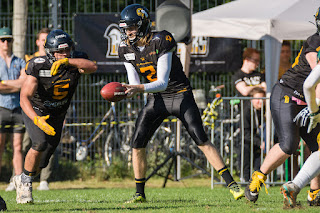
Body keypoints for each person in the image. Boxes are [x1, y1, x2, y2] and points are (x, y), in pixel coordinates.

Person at [118, 4, 244, 203]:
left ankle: (232, 185)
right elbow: (134, 83)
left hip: (179, 95)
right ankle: (139, 193)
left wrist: (139, 89)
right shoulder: (125, 48)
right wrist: (125, 92)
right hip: (156, 99)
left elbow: (162, 82)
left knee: (200, 138)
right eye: (126, 28)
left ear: (142, 25)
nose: (128, 32)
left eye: (132, 27)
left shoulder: (161, 39)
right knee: (137, 142)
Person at [245, 7, 320, 204]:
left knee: (318, 146)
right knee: (289, 144)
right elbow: (316, 76)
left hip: (308, 100)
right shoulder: (316, 41)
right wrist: (317, 107)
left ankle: (314, 193)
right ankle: (257, 178)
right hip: (289, 94)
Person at [13, 29, 97, 204]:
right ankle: (25, 185)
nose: (64, 54)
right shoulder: (38, 64)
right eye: (60, 51)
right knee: (39, 143)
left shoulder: (74, 61)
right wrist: (36, 119)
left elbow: (93, 66)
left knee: (43, 161)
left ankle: (23, 177)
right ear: (50, 52)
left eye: (67, 50)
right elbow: (24, 98)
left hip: (58, 114)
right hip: (36, 110)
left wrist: (69, 61)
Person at [6, 28, 52, 192]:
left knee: (46, 144)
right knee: (24, 145)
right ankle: (17, 177)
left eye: (48, 39)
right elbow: (22, 84)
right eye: (42, 39)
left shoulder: (56, 59)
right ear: (37, 42)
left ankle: (43, 180)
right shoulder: (29, 60)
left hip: (49, 109)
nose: (45, 43)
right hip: (29, 110)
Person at [0, 27, 26, 181]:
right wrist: (17, 84)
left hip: (17, 109)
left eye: (8, 40)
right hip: (1, 108)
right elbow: (20, 83)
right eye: (2, 40)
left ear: (12, 42)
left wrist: (4, 84)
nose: (5, 43)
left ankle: (18, 181)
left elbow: (25, 83)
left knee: (18, 147)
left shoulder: (20, 61)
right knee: (0, 147)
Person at [239, 87, 265, 182]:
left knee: (259, 163)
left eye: (262, 99)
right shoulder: (246, 111)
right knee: (245, 152)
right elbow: (245, 133)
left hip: (261, 141)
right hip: (248, 141)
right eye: (257, 99)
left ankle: (258, 180)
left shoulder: (267, 111)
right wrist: (259, 143)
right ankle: (244, 179)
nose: (260, 102)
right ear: (251, 99)